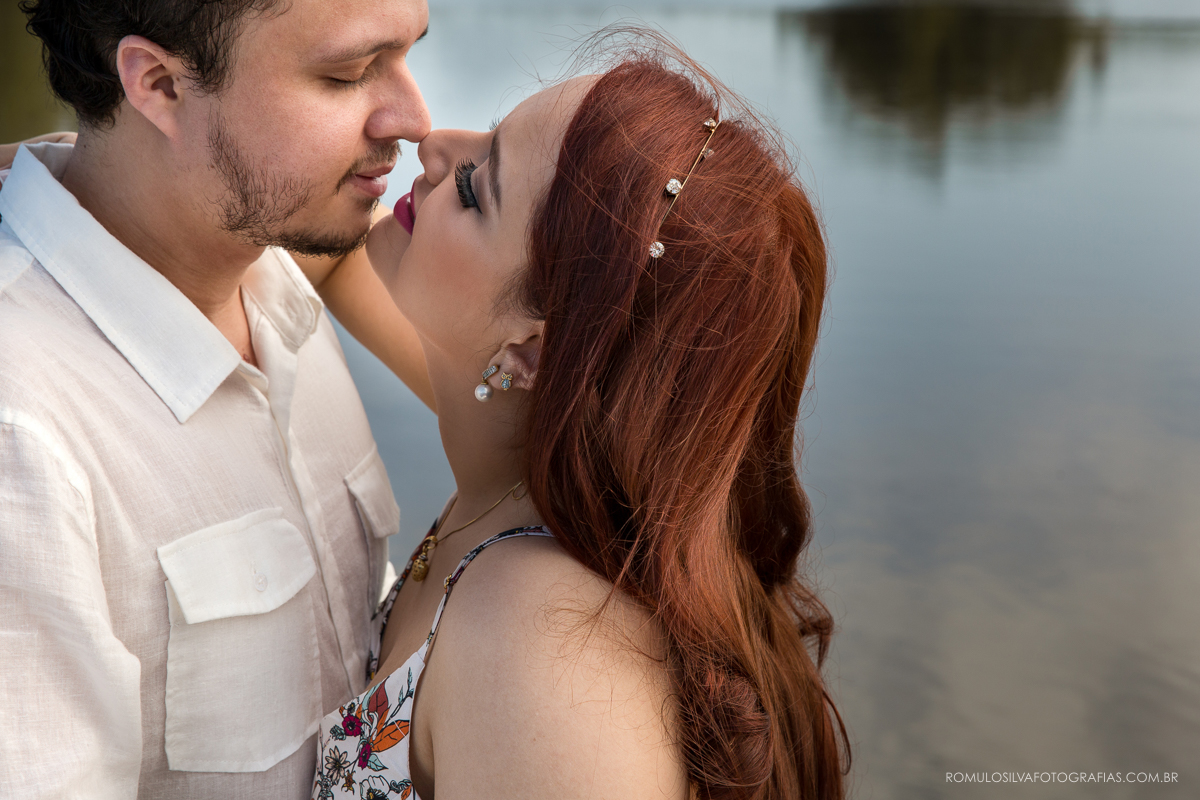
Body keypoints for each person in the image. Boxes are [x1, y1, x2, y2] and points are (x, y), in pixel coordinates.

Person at [304, 41, 848, 800]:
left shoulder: (544, 651)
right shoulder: (531, 454)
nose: (432, 144)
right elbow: (321, 248)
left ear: (533, 352)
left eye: (474, 185)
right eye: (487, 137)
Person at [0, 0, 432, 796]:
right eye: (345, 75)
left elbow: (554, 418)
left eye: (409, 52)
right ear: (159, 84)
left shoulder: (274, 246)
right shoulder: (23, 435)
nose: (415, 117)